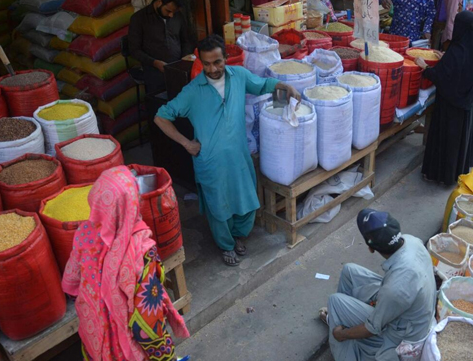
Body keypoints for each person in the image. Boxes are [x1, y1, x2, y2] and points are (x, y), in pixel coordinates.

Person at [153, 35, 301, 266]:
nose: (212, 69)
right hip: (210, 161)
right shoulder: (193, 91)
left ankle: (238, 236)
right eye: (207, 63)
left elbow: (262, 85)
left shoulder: (239, 77)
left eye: (218, 62)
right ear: (201, 62)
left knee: (247, 201)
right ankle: (226, 245)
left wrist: (284, 86)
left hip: (239, 156)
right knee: (218, 208)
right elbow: (161, 116)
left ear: (226, 58)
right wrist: (186, 143)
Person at [62, 166, 190, 360]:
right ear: (131, 202)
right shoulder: (141, 250)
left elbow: (72, 285)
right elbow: (147, 319)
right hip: (126, 348)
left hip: (94, 334)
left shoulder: (84, 233)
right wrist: (165, 355)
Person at [318, 209, 436, 361]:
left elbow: (372, 329)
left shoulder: (395, 289)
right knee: (349, 271)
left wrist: (341, 334)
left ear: (371, 248)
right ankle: (340, 319)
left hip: (402, 336)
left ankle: (343, 346)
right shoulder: (411, 241)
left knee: (335, 301)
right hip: (407, 303)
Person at [415, 11, 473, 184]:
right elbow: (458, 68)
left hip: (450, 106)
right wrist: (445, 58)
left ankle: (440, 175)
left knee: (445, 141)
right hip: (464, 104)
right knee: (457, 143)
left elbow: (443, 76)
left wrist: (424, 67)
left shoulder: (457, 51)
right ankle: (454, 174)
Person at [128, 0, 194, 95]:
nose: (171, 15)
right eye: (168, 11)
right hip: (154, 69)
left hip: (178, 66)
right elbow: (134, 50)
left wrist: (185, 58)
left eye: (174, 12)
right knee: (161, 101)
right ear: (159, 2)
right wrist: (155, 63)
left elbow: (186, 40)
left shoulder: (177, 16)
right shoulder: (139, 19)